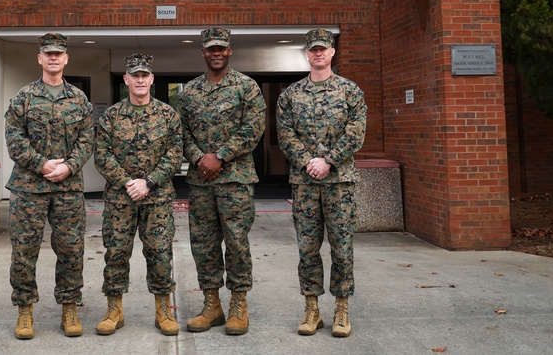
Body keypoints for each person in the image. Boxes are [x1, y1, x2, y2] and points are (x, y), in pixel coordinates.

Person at [275, 28, 367, 338]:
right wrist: (306, 162)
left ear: (331, 53)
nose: (318, 53)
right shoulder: (290, 95)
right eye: (313, 49)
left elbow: (356, 132)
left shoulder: (349, 91)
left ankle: (341, 308)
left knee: (342, 248)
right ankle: (312, 308)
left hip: (339, 181)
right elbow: (285, 135)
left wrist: (327, 160)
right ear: (307, 54)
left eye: (323, 49)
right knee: (307, 248)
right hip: (304, 184)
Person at [3, 32, 94, 340]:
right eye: (48, 54)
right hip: (29, 187)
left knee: (71, 249)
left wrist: (68, 166)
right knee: (24, 250)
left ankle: (69, 308)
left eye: (59, 54)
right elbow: (14, 140)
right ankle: (25, 310)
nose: (54, 58)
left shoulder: (79, 99)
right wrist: (42, 164)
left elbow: (87, 140)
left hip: (68, 188)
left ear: (66, 59)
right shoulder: (24, 97)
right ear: (40, 58)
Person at [177, 27, 266, 335]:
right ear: (203, 52)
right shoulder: (189, 91)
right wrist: (201, 158)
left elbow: (254, 129)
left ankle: (238, 304)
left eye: (221, 48)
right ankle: (212, 304)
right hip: (201, 181)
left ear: (229, 51)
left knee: (237, 243)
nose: (216, 53)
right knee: (203, 244)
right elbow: (182, 133)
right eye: (211, 49)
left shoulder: (247, 87)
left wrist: (221, 156)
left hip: (235, 181)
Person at [93, 53, 183, 337]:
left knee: (159, 253)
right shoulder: (112, 116)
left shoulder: (168, 115)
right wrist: (127, 182)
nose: (140, 79)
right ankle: (114, 310)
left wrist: (149, 182)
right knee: (117, 252)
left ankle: (162, 311)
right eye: (135, 75)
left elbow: (174, 153)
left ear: (152, 79)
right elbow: (101, 154)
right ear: (126, 79)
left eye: (145, 75)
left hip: (156, 199)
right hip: (121, 199)